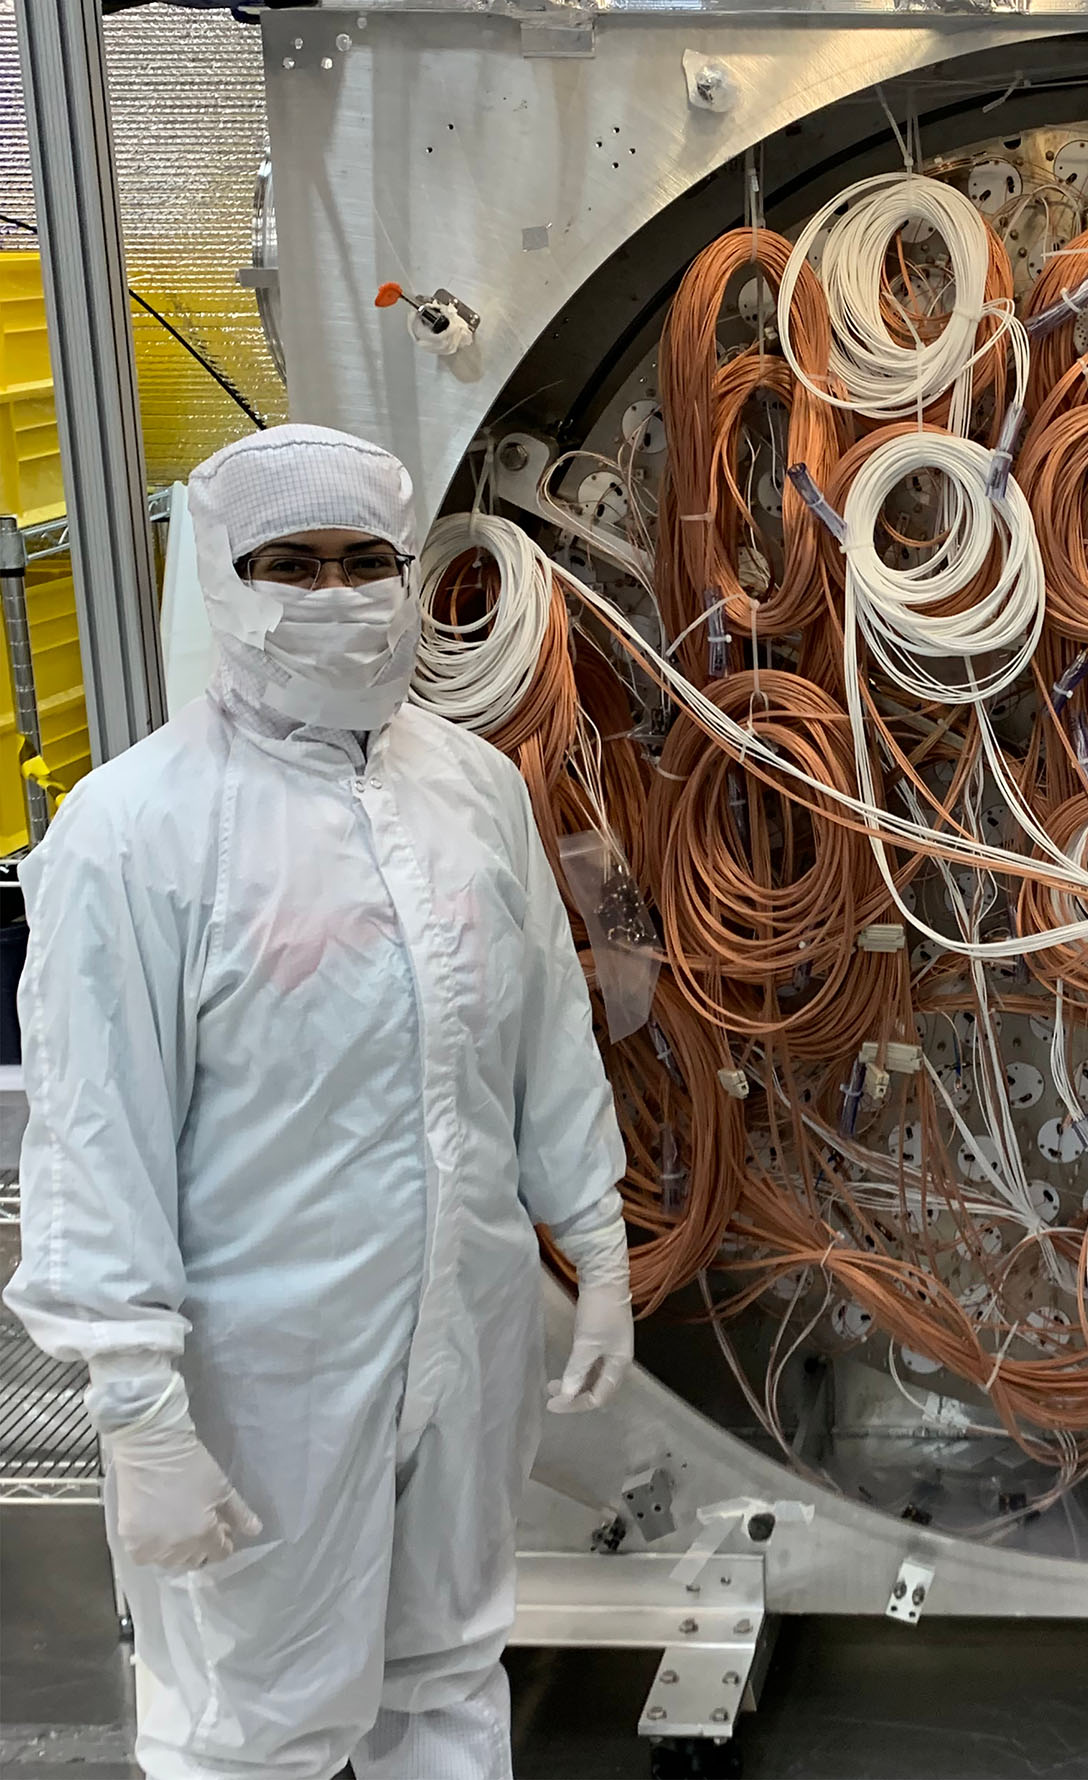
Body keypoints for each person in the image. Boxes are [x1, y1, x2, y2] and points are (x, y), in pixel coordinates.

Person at [4, 424, 635, 1780]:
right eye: (290, 565)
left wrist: (598, 1243)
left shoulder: (471, 790)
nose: (336, 595)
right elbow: (98, 1138)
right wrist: (136, 1405)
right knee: (253, 1727)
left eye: (365, 562)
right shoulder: (138, 830)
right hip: (260, 1384)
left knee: (448, 1676)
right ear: (223, 581)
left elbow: (544, 1028)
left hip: (465, 1344)